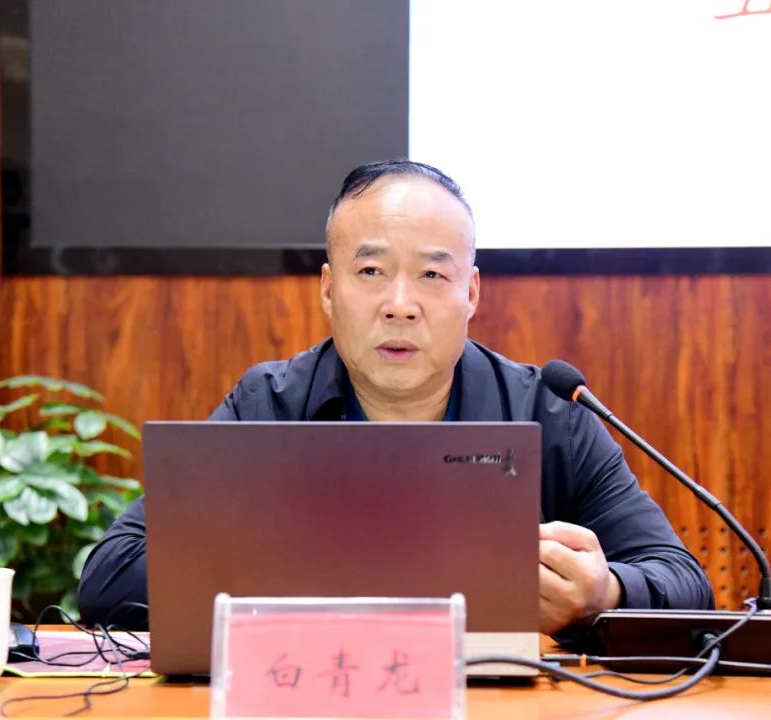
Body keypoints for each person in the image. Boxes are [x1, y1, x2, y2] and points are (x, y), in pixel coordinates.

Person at [78, 160, 714, 633]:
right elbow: (111, 576)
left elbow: (684, 580)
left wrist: (605, 594)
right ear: (329, 289)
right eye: (371, 271)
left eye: (433, 274)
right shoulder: (267, 405)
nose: (400, 305)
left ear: (471, 293)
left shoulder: (549, 417)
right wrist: (339, 560)